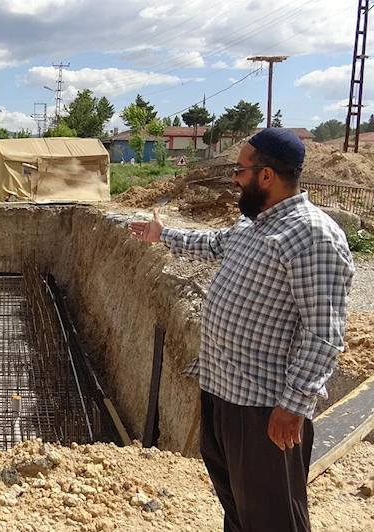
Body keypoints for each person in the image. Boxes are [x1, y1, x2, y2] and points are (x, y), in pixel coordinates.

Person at [128, 128, 355, 532]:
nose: (234, 178)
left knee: (272, 519)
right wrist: (163, 235)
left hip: (264, 409)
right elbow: (215, 244)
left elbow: (324, 331)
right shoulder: (252, 226)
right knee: (238, 508)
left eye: (240, 170)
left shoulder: (312, 236)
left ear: (266, 176)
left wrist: (295, 404)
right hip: (223, 392)